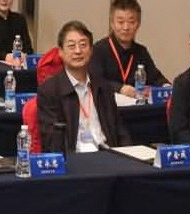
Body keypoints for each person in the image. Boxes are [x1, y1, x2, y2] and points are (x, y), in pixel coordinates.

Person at [35, 21, 130, 152]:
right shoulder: (50, 90)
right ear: (60, 52)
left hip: (108, 154)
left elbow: (120, 130)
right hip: (75, 158)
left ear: (91, 50)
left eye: (83, 45)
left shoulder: (103, 86)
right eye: (71, 46)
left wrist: (129, 155)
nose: (78, 51)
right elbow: (52, 142)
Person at [88, 0, 165, 97]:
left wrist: (165, 85)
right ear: (112, 24)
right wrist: (120, 88)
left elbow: (155, 78)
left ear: (138, 24)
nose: (126, 27)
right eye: (120, 22)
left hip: (134, 105)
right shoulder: (98, 50)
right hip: (107, 103)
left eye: (131, 22)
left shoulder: (141, 51)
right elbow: (95, 80)